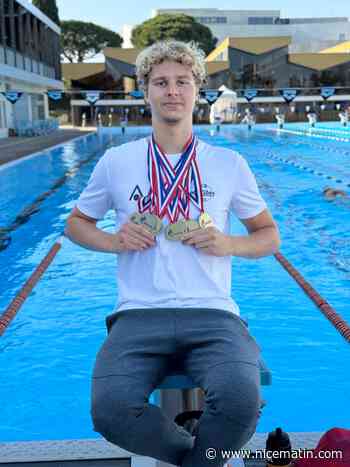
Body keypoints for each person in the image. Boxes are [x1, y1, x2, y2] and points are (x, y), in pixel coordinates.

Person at [65, 40, 280, 467]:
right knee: (109, 410)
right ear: (145, 90)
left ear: (197, 89)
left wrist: (228, 243)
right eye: (161, 82)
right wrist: (114, 241)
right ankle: (195, 457)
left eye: (182, 82)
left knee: (241, 400)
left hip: (214, 313)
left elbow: (268, 235)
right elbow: (75, 224)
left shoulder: (228, 163)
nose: (172, 91)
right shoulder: (117, 160)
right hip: (138, 314)